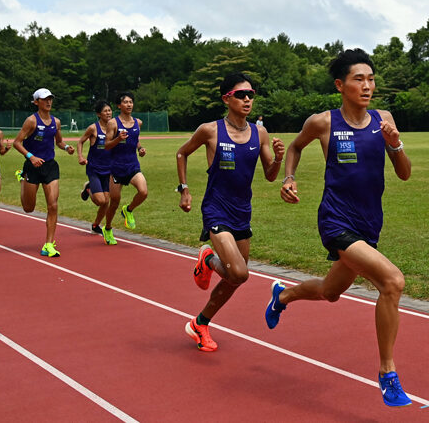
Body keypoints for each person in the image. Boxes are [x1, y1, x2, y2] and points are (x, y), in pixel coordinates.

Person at [265, 49, 413, 407]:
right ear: (340, 85)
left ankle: (282, 296)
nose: (367, 86)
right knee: (392, 282)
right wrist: (289, 178)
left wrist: (395, 145)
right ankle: (387, 373)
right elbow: (296, 147)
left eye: (371, 79)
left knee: (331, 292)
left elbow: (405, 172)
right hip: (335, 220)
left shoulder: (384, 119)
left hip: (369, 223)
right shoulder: (324, 122)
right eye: (358, 79)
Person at [176, 72, 284, 352]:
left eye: (251, 95)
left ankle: (200, 323)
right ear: (227, 98)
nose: (248, 99)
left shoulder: (259, 132)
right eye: (241, 95)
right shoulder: (210, 130)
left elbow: (270, 176)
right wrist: (184, 189)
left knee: (235, 278)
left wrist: (279, 159)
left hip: (242, 212)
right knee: (240, 272)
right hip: (216, 209)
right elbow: (181, 153)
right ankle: (210, 258)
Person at [13, 88, 75, 257]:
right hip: (32, 166)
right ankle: (22, 179)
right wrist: (31, 157)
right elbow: (17, 143)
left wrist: (67, 147)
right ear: (36, 102)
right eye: (44, 99)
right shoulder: (31, 121)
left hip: (50, 166)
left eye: (50, 99)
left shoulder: (56, 122)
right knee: (28, 208)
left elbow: (59, 142)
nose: (48, 102)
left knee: (53, 205)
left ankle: (48, 244)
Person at [102, 92, 147, 245]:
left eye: (131, 102)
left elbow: (136, 140)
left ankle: (128, 210)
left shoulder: (138, 123)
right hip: (116, 168)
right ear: (119, 106)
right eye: (125, 102)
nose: (129, 104)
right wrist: (118, 139)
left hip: (133, 165)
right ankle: (107, 228)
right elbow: (106, 146)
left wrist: (140, 149)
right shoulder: (113, 124)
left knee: (143, 191)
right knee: (114, 201)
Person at [77, 100, 113, 235]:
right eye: (105, 111)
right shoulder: (93, 128)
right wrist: (80, 157)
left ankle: (96, 225)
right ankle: (88, 188)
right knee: (100, 200)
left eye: (109, 110)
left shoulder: (114, 127)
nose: (108, 113)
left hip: (109, 169)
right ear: (99, 114)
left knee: (106, 202)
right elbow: (80, 142)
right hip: (94, 168)